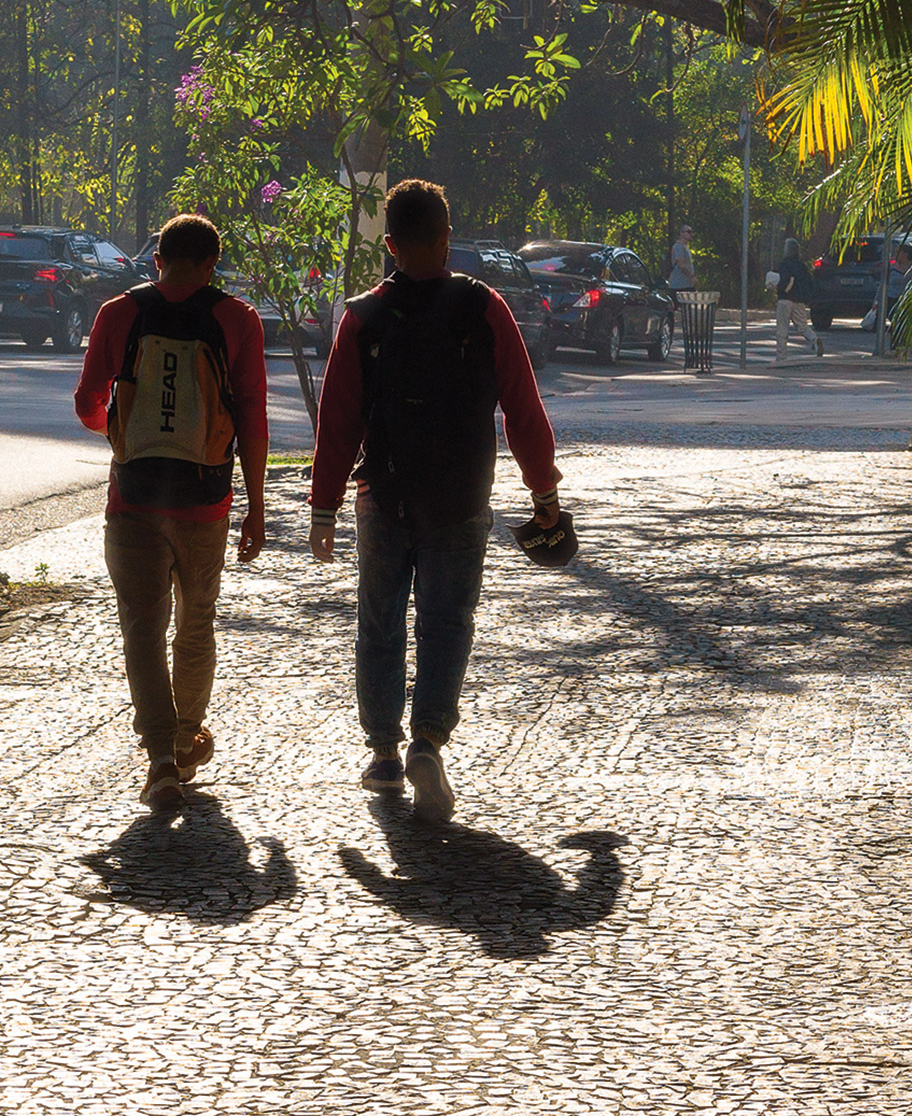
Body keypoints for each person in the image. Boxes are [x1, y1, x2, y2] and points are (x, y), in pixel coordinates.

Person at [306, 179, 562, 822]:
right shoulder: (483, 308)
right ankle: (428, 740)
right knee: (448, 623)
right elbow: (522, 406)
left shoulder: (362, 318)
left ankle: (385, 752)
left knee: (380, 624)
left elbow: (337, 422)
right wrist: (543, 491)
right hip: (462, 497)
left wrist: (323, 507)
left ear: (389, 245)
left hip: (383, 496)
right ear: (448, 238)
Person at [72, 214, 268, 808]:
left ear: (157, 258)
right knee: (196, 621)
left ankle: (157, 755)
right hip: (205, 503)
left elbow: (87, 403)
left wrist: (121, 432)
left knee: (141, 626)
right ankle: (186, 739)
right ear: (211, 264)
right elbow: (253, 419)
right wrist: (256, 504)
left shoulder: (118, 313)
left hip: (131, 497)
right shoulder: (237, 319)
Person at [772, 237, 822, 360]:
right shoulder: (802, 266)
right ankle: (814, 339)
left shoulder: (784, 264)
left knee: (782, 329)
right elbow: (810, 283)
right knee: (802, 327)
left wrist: (779, 288)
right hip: (799, 301)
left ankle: (781, 356)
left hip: (785, 299)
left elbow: (784, 280)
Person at [666, 225, 698, 291]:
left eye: (691, 232)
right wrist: (691, 277)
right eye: (688, 232)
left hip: (686, 284)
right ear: (681, 233)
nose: (691, 234)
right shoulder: (679, 246)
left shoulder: (685, 246)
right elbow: (681, 264)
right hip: (678, 285)